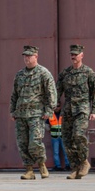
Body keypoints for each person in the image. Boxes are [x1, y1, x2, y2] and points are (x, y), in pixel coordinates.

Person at [9, 45, 57, 180]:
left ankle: (42, 164)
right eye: (25, 56)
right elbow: (14, 94)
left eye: (29, 56)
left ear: (36, 56)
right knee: (22, 143)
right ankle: (29, 170)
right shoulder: (20, 75)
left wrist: (49, 110)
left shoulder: (43, 73)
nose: (26, 58)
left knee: (35, 142)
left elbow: (51, 93)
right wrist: (12, 110)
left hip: (36, 114)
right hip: (21, 114)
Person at [56, 44, 95, 179]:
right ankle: (76, 167)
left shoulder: (89, 73)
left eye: (76, 54)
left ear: (82, 55)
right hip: (68, 109)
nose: (73, 56)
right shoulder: (65, 73)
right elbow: (57, 91)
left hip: (82, 109)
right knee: (67, 139)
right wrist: (54, 104)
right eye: (71, 54)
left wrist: (94, 110)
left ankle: (84, 162)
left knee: (78, 135)